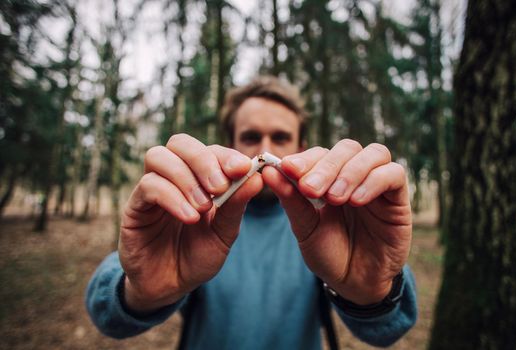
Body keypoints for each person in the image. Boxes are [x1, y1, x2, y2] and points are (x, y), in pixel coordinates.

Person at [85, 76, 417, 349]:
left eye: (281, 137)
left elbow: (389, 329)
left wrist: (372, 294)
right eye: (251, 136)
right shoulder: (193, 215)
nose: (266, 150)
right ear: (231, 143)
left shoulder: (336, 219)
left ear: (302, 147)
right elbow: (106, 314)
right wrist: (140, 294)